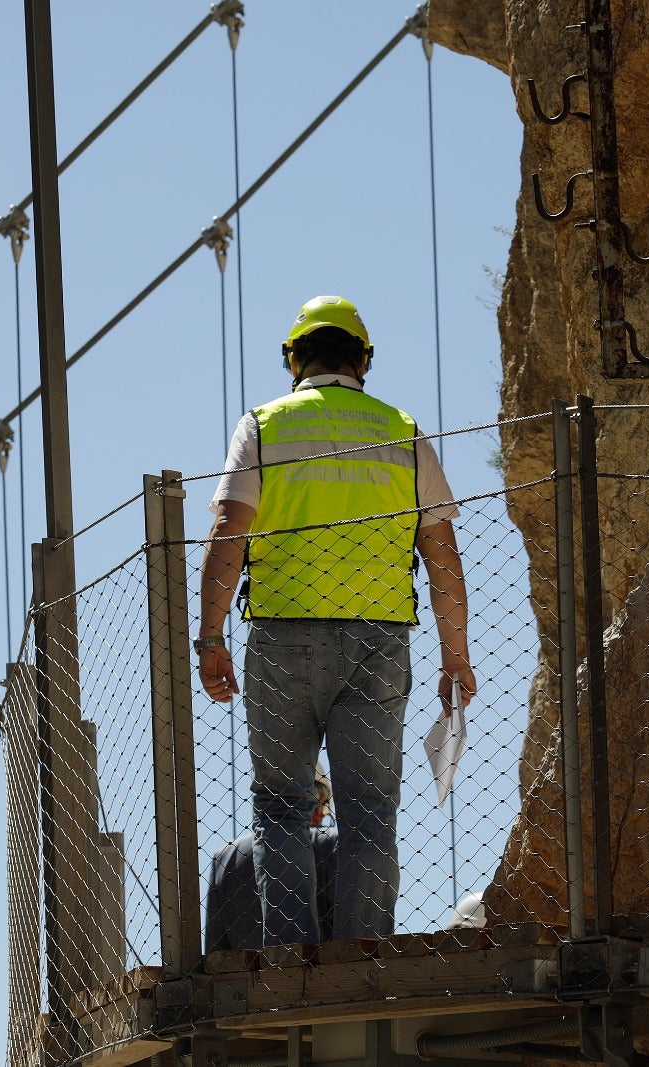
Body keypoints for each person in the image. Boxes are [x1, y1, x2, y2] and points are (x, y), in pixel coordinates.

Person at [195, 295, 477, 947]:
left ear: (294, 359)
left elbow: (227, 532)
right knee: (371, 813)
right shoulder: (402, 431)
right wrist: (455, 656)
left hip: (281, 635)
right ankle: (365, 955)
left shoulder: (264, 425)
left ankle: (292, 956)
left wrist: (210, 637)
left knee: (281, 809)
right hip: (378, 643)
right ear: (363, 360)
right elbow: (443, 555)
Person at [206, 765, 337, 953]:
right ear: (318, 801)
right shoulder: (330, 844)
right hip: (327, 978)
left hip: (252, 981)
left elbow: (215, 952)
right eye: (324, 810)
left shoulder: (225, 858)